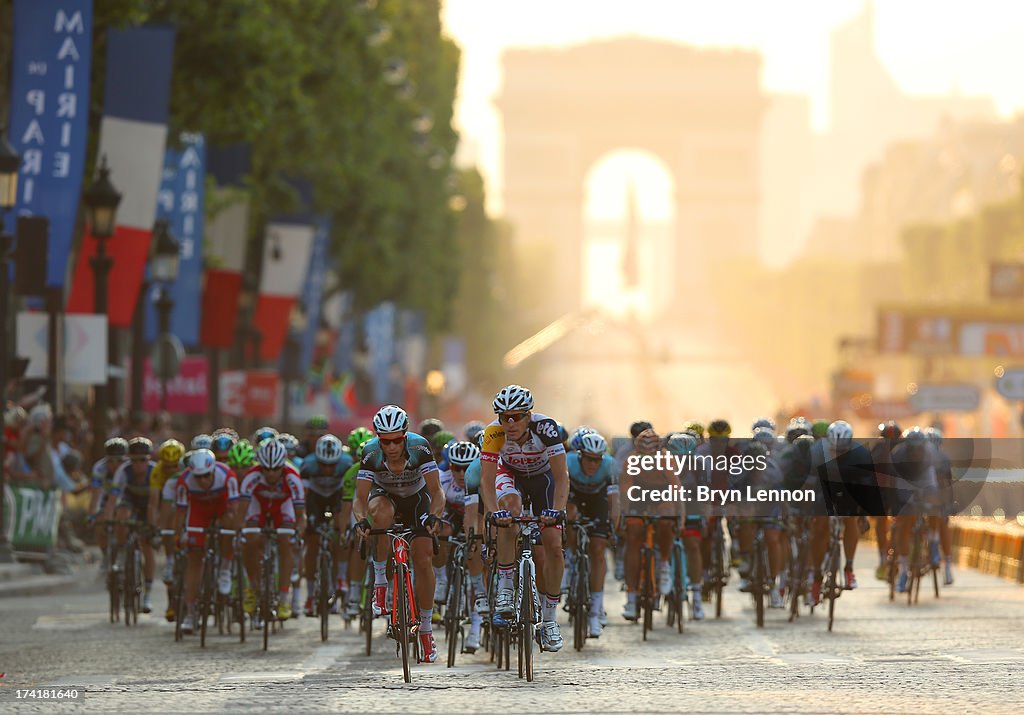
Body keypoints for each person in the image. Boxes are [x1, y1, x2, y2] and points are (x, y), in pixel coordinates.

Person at [480, 384, 569, 652]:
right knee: (509, 512)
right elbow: (486, 480)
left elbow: (561, 477)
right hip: (511, 476)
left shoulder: (546, 429)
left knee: (553, 544)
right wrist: (495, 513)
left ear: (528, 416)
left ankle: (550, 621)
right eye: (503, 417)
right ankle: (506, 588)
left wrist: (557, 511)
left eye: (516, 416)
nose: (509, 423)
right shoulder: (493, 433)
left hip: (544, 479)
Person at [354, 405, 445, 663]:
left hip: (417, 499)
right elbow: (359, 498)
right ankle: (381, 584)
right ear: (378, 439)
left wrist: (436, 516)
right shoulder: (370, 452)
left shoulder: (420, 448)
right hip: (385, 497)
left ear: (405, 436)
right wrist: (361, 521)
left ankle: (426, 630)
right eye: (385, 441)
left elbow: (437, 491)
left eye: (396, 440)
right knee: (380, 516)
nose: (391, 446)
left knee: (423, 558)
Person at [175, 449, 241, 634]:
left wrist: (235, 530)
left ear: (212, 471)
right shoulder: (184, 481)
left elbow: (234, 509)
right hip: (199, 512)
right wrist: (178, 535)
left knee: (228, 526)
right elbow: (180, 513)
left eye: (206, 476)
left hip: (222, 507)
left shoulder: (227, 476)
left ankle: (225, 568)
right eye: (199, 477)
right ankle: (190, 612)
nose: (202, 481)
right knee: (194, 559)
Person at [239, 439, 305, 622]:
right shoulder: (251, 476)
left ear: (282, 465)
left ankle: (284, 598)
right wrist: (240, 531)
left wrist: (297, 533)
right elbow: (241, 511)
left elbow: (301, 516)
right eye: (266, 469)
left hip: (282, 507)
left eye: (275, 469)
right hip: (258, 506)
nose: (270, 474)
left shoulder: (293, 477)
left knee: (286, 543)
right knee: (250, 540)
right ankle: (252, 587)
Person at [618, 428, 681, 621]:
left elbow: (676, 489)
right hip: (639, 495)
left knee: (665, 521)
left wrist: (680, 518)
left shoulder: (665, 459)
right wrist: (625, 517)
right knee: (634, 537)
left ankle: (663, 564)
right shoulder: (631, 461)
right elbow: (625, 492)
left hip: (662, 494)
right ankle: (631, 595)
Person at [565, 431, 617, 637]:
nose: (593, 464)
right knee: (568, 515)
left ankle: (595, 611)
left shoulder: (610, 466)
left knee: (597, 550)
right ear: (580, 455)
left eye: (597, 460)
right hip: (574, 498)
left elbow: (615, 502)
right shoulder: (568, 462)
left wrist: (614, 526)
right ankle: (570, 556)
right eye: (589, 459)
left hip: (598, 503)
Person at [299, 434, 352, 617]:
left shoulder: (346, 464)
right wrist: (306, 520)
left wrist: (342, 523)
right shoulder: (308, 464)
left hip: (337, 495)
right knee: (312, 542)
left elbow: (347, 497)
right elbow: (304, 496)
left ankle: (340, 578)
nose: (328, 469)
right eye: (324, 465)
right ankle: (311, 595)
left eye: (332, 465)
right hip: (316, 497)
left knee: (341, 531)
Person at [106, 437, 158, 614]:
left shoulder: (154, 472)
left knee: (146, 545)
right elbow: (113, 498)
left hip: (148, 506)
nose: (138, 465)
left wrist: (152, 526)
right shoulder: (123, 471)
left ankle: (148, 594)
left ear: (148, 460)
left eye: (142, 460)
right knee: (122, 515)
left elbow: (153, 504)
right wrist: (108, 519)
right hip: (130, 502)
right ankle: (121, 552)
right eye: (134, 460)